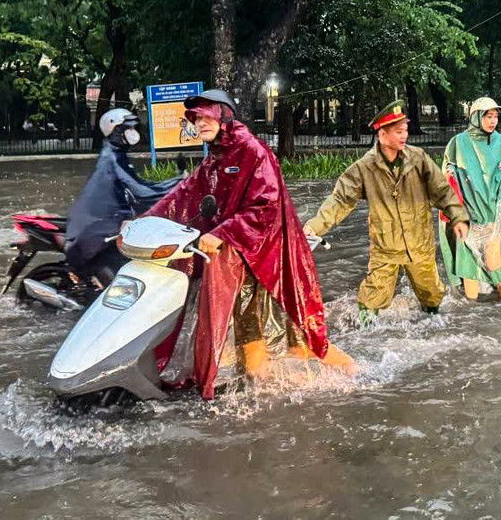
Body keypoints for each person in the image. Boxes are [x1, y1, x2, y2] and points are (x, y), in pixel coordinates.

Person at [137, 89, 355, 399]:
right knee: (247, 336)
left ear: (224, 115)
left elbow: (265, 205)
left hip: (273, 259)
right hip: (239, 260)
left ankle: (359, 379)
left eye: (204, 115)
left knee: (304, 336)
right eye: (195, 118)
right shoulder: (216, 158)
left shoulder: (252, 151)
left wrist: (222, 233)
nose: (199, 123)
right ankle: (258, 396)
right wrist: (144, 222)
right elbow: (183, 195)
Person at [303, 100, 470, 323]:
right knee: (372, 298)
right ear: (382, 135)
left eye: (406, 131)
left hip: (419, 242)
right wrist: (314, 226)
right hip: (385, 246)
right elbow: (340, 200)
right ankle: (364, 335)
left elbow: (441, 190)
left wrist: (458, 216)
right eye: (399, 131)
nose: (404, 136)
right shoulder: (365, 168)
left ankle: (435, 325)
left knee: (432, 294)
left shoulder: (418, 158)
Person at [65, 108, 182, 283]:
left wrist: (178, 182)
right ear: (116, 131)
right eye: (128, 129)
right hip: (98, 231)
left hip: (111, 223)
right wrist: (179, 184)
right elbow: (142, 193)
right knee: (118, 276)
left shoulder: (118, 157)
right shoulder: (111, 159)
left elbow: (140, 187)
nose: (133, 133)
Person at [440, 97, 501, 300]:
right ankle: (471, 318)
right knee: (469, 267)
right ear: (475, 117)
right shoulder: (458, 143)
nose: (493, 121)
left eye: (496, 117)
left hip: (495, 218)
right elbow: (445, 178)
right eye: (488, 116)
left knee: (496, 265)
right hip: (467, 217)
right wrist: (450, 173)